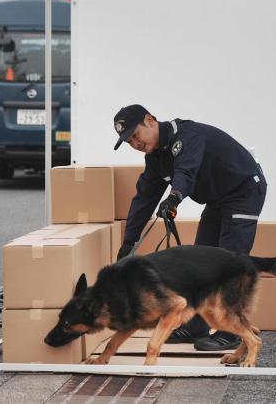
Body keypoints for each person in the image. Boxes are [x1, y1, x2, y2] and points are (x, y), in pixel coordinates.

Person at [114, 104, 267, 352]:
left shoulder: (187, 136)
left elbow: (186, 170)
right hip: (218, 199)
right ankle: (196, 326)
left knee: (230, 265)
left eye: (135, 135)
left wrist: (174, 198)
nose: (135, 143)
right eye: (129, 141)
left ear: (150, 120)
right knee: (201, 262)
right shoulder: (155, 157)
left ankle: (232, 333)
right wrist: (128, 244)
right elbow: (144, 199)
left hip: (243, 190)